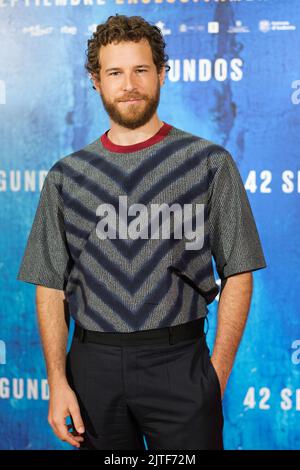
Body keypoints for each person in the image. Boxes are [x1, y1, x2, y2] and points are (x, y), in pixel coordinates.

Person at [17, 14, 267, 450]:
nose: (128, 84)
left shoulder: (209, 163)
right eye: (115, 72)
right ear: (96, 81)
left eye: (140, 70)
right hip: (93, 366)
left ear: (162, 75)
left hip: (179, 362)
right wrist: (57, 382)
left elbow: (240, 272)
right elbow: (49, 287)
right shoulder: (66, 177)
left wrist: (216, 376)